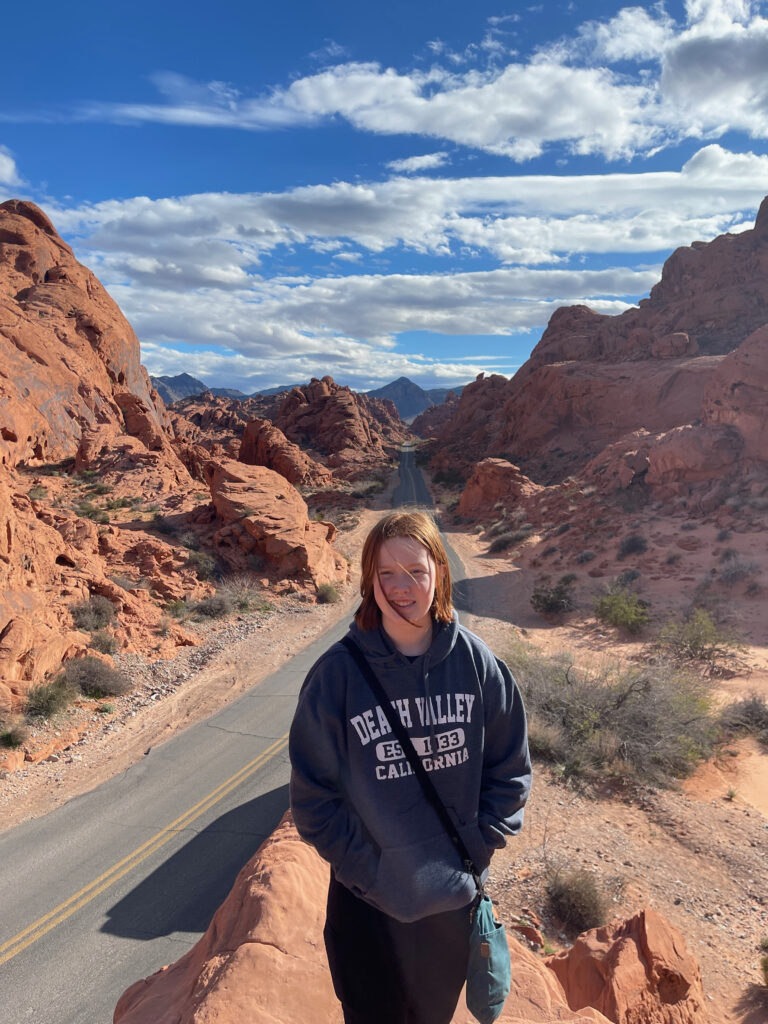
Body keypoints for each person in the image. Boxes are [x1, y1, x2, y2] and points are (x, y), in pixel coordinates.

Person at [289, 510, 531, 1024]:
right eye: (387, 573)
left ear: (439, 574)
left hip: (449, 913)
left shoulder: (476, 664)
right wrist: (371, 873)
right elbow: (314, 801)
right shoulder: (337, 676)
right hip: (368, 910)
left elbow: (510, 770)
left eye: (416, 571)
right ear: (368, 580)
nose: (402, 587)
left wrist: (479, 844)